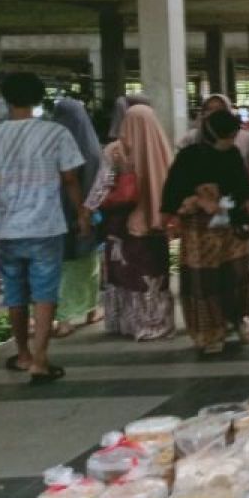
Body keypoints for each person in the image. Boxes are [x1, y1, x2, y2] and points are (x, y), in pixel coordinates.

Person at [0, 73, 89, 384]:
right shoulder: (56, 134)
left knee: (16, 293)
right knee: (45, 293)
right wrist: (82, 213)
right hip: (46, 227)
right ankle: (40, 359)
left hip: (7, 228)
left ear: (6, 99)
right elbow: (71, 179)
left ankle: (22, 354)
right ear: (39, 99)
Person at [162, 109, 249, 355]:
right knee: (204, 282)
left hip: (230, 230)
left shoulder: (232, 154)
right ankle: (209, 333)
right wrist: (196, 201)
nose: (231, 138)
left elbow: (244, 188)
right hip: (200, 233)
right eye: (228, 134)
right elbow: (173, 194)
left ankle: (237, 321)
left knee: (235, 276)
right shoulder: (190, 157)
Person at [87, 104, 175, 341]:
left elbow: (101, 187)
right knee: (154, 275)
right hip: (157, 224)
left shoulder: (115, 150)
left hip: (122, 225)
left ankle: (126, 323)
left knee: (126, 275)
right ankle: (158, 322)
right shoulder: (163, 147)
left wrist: (88, 209)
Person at [51, 98, 103, 337]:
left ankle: (64, 318)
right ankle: (91, 309)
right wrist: (87, 211)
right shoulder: (91, 146)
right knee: (87, 263)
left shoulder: (50, 143)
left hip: (53, 215)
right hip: (84, 213)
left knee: (60, 267)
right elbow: (97, 182)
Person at [181, 95, 249, 186]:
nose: (213, 112)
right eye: (209, 109)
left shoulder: (244, 137)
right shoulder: (192, 137)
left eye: (219, 108)